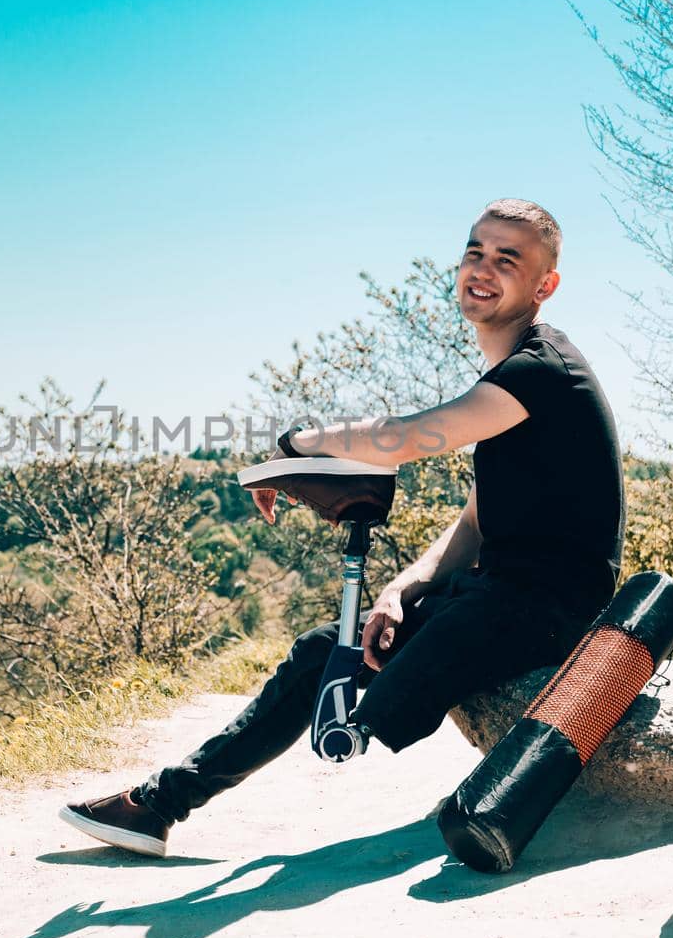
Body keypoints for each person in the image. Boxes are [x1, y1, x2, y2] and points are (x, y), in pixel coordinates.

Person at [58, 198, 625, 858]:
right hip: (497, 596)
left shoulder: (543, 370)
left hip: (544, 611)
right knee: (324, 651)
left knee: (365, 680)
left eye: (508, 260)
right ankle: (158, 805)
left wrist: (293, 445)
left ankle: (205, 787)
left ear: (543, 285)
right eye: (476, 251)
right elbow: (478, 514)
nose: (483, 269)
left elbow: (408, 437)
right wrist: (403, 587)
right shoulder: (516, 372)